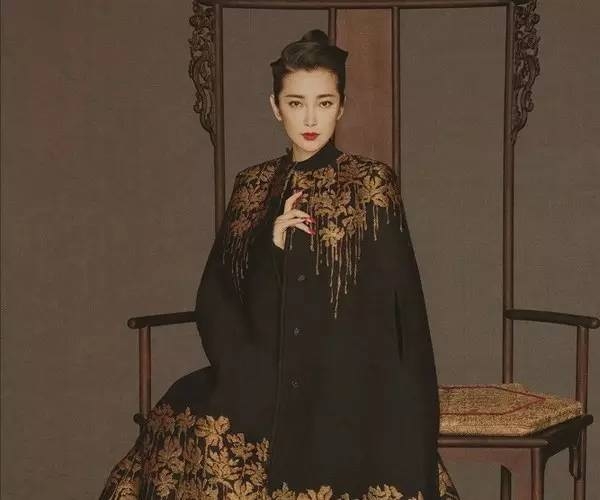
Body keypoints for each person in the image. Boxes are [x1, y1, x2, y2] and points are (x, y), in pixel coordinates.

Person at [99, 29, 460, 500]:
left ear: (341, 106)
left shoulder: (372, 183)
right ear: (275, 107)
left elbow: (404, 311)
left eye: (324, 103)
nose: (310, 119)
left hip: (347, 372)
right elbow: (219, 295)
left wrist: (408, 408)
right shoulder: (252, 185)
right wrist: (270, 245)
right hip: (262, 367)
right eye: (295, 103)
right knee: (197, 426)